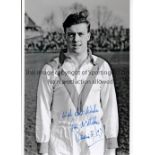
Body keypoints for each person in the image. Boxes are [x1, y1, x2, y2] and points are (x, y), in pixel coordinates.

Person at [36, 10, 119, 155]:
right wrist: (43, 148)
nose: (76, 39)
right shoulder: (50, 69)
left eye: (80, 34)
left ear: (88, 36)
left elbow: (110, 109)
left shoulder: (102, 67)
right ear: (65, 37)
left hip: (94, 143)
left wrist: (111, 147)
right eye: (71, 34)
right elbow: (42, 111)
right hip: (61, 144)